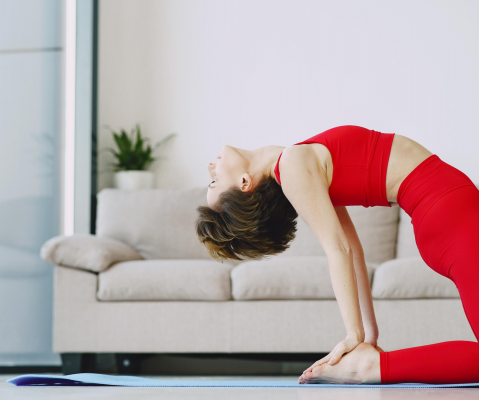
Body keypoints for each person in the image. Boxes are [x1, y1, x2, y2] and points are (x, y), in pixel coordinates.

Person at [195, 125, 479, 384]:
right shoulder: (293, 165)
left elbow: (353, 250)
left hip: (451, 219)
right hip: (453, 222)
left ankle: (372, 363)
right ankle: (374, 367)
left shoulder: (299, 163)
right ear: (244, 183)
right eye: (214, 182)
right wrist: (354, 335)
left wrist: (369, 336)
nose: (211, 167)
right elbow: (339, 249)